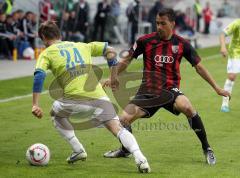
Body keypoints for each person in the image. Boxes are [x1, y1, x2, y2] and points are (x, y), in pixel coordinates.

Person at [103, 8, 230, 165]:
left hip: (170, 91)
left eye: (163, 23)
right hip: (148, 92)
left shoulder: (182, 44)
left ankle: (207, 148)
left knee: (188, 107)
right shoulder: (145, 41)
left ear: (172, 24)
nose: (159, 27)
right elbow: (126, 60)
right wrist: (112, 77)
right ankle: (126, 149)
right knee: (123, 119)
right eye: (157, 23)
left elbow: (199, 67)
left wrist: (216, 88)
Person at [31, 21, 150, 173]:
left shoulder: (47, 53)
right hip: (100, 97)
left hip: (73, 100)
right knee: (118, 129)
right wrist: (113, 76)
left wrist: (35, 104)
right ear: (59, 34)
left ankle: (77, 148)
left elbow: (39, 75)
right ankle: (141, 158)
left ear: (43, 38)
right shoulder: (82, 45)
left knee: (55, 113)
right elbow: (110, 50)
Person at [219, 19, 240, 112]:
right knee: (231, 77)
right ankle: (225, 104)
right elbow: (222, 34)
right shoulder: (237, 23)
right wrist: (223, 46)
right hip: (236, 52)